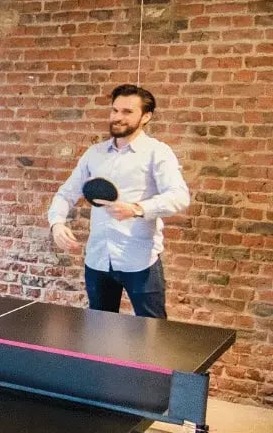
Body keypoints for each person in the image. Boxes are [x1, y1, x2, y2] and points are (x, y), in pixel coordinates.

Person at [47, 84, 190, 318]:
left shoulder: (158, 152)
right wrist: (57, 223)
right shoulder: (94, 154)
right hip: (98, 260)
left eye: (127, 112)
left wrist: (137, 208)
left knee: (153, 334)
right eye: (114, 110)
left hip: (140, 261)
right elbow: (66, 193)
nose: (117, 117)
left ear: (146, 116)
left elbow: (179, 196)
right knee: (100, 333)